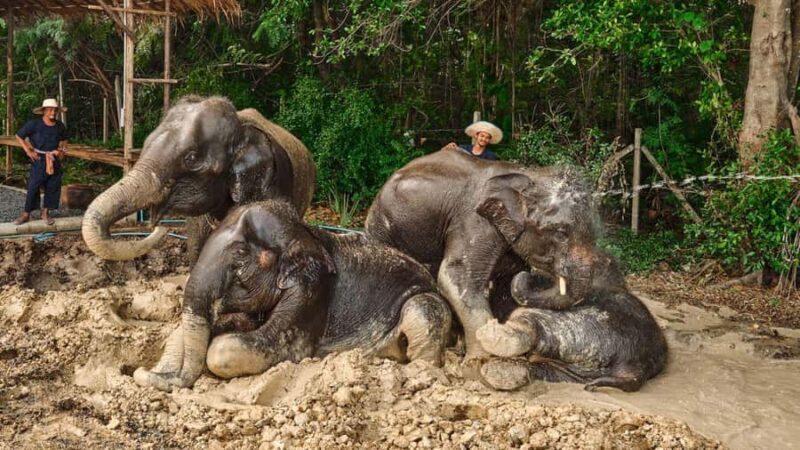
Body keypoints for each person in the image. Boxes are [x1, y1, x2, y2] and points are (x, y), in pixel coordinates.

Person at [13, 98, 69, 226]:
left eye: (54, 110)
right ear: (44, 111)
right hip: (39, 159)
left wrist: (62, 151)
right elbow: (19, 136)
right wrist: (28, 151)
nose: (52, 112)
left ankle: (45, 213)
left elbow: (65, 140)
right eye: (49, 110)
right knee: (33, 186)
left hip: (54, 160)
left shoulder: (60, 126)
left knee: (53, 186)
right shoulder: (34, 124)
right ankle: (26, 214)